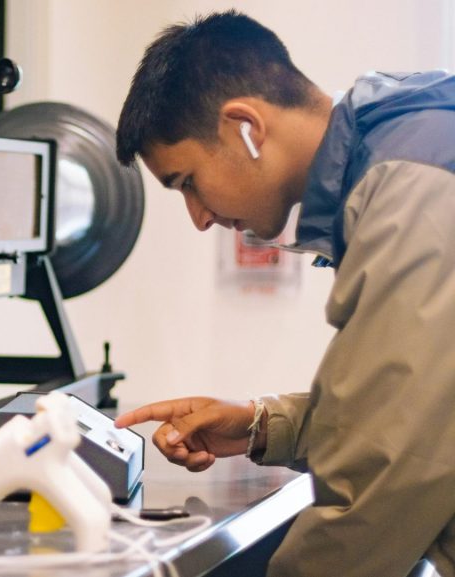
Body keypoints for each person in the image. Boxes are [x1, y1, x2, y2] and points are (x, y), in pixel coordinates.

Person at [111, 10, 455, 577]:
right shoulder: (405, 146)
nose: (197, 217)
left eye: (187, 182)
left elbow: (387, 480)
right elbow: (412, 409)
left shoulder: (409, 190)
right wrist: (262, 425)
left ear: (246, 127)